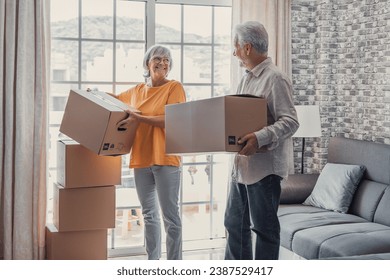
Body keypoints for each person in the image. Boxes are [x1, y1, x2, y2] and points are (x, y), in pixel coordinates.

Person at [224, 21, 299, 260]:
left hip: (264, 171)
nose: (233, 52)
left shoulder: (276, 78)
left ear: (247, 48)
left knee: (264, 231)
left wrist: (259, 137)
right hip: (242, 168)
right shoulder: (247, 78)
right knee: (234, 225)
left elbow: (290, 121)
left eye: (235, 46)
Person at [112, 45, 186, 260]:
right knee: (149, 215)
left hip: (166, 158)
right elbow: (115, 100)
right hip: (141, 159)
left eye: (167, 60)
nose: (162, 63)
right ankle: (152, 262)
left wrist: (139, 118)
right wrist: (94, 94)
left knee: (170, 217)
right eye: (157, 58)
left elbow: (172, 120)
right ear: (147, 63)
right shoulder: (137, 91)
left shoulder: (174, 87)